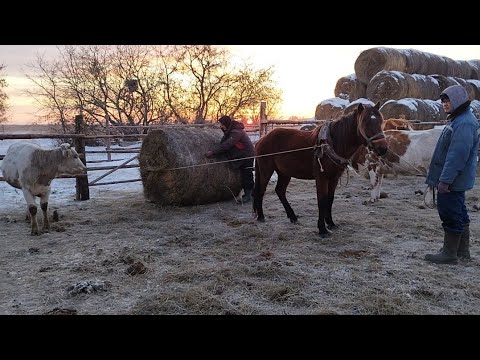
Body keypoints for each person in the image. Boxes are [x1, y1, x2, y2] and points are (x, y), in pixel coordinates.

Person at [424, 85, 480, 264]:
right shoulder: (459, 119)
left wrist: (445, 180)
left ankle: (449, 254)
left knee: (450, 212)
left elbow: (457, 156)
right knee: (459, 211)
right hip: (456, 180)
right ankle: (461, 251)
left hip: (452, 180)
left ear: (458, 100)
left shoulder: (463, 123)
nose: (444, 104)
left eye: (448, 100)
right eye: (443, 101)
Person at [205, 115, 255, 203]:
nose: (220, 126)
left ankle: (248, 195)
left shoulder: (236, 132)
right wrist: (215, 149)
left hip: (247, 154)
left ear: (226, 123)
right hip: (239, 153)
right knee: (243, 173)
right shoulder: (229, 130)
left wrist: (213, 152)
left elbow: (227, 144)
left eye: (221, 124)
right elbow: (223, 142)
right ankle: (252, 192)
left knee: (246, 173)